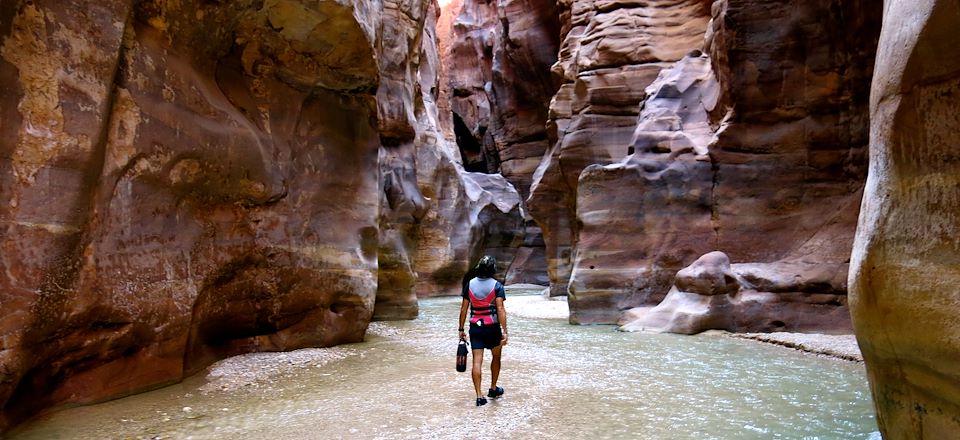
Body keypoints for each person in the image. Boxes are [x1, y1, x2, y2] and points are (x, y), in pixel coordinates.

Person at [458, 255, 508, 406]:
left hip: (475, 327)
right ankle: (493, 388)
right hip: (493, 328)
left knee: (477, 361)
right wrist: (505, 331)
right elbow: (500, 309)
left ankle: (479, 396)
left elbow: (464, 309)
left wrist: (461, 329)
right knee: (496, 357)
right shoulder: (497, 286)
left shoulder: (469, 284)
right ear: (493, 269)